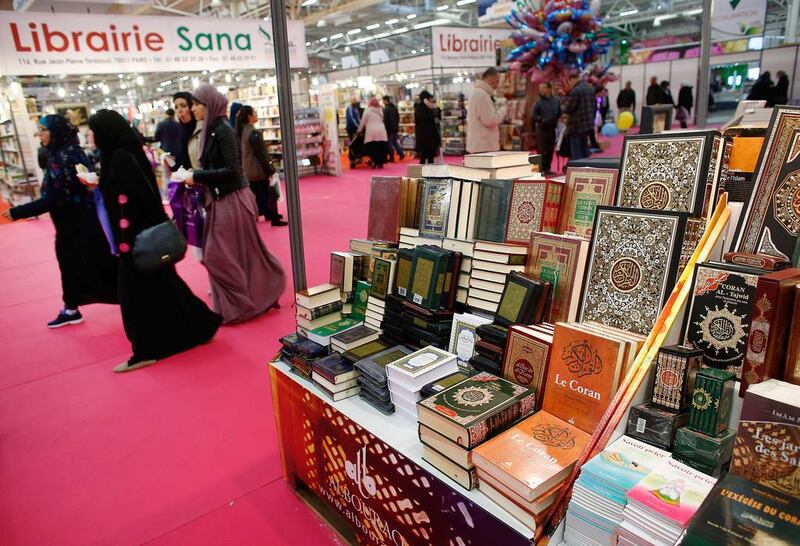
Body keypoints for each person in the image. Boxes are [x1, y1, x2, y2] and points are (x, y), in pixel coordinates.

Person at [86, 109, 222, 372]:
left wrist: (125, 240)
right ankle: (201, 326)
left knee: (133, 296)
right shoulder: (122, 153)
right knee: (164, 287)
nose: (91, 136)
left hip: (135, 240)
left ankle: (145, 350)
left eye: (94, 130)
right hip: (141, 238)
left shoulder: (120, 157)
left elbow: (129, 199)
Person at [1, 114, 118, 328]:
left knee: (94, 264)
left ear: (55, 132)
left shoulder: (64, 157)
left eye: (43, 130)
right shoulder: (65, 153)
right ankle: (72, 307)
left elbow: (55, 197)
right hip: (73, 222)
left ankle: (127, 298)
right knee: (78, 264)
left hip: (77, 223)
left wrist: (20, 211)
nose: (39, 135)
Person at [185, 84, 286, 324]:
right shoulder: (210, 130)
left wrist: (198, 176)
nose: (192, 108)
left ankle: (246, 302)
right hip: (221, 200)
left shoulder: (222, 130)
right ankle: (250, 300)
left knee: (219, 255)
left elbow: (232, 169)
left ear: (209, 105)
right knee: (239, 254)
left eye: (196, 104)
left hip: (232, 200)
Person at [235, 105, 287, 226]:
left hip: (248, 170)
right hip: (257, 170)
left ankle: (265, 214)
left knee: (257, 195)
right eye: (254, 112)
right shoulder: (253, 133)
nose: (256, 114)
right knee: (269, 194)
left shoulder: (242, 132)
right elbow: (261, 154)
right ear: (250, 116)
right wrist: (269, 170)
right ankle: (273, 217)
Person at [466, 67, 507, 154]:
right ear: (491, 78)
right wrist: (503, 110)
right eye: (497, 81)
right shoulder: (482, 95)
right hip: (484, 147)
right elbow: (490, 121)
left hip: (479, 145)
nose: (497, 85)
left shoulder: (476, 92)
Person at [562, 72, 596, 161]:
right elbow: (595, 107)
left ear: (572, 79)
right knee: (585, 151)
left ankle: (577, 171)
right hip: (588, 125)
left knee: (576, 153)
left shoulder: (576, 90)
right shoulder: (590, 88)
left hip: (576, 125)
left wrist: (563, 100)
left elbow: (567, 108)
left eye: (569, 82)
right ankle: (586, 170)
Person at [532, 82, 560, 175]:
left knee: (550, 150)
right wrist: (541, 120)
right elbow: (533, 115)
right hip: (541, 129)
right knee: (540, 150)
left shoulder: (556, 100)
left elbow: (559, 112)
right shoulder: (538, 102)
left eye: (543, 88)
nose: (541, 90)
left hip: (552, 128)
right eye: (540, 88)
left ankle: (547, 168)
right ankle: (539, 170)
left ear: (549, 89)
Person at [357, 96, 389, 169]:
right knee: (380, 147)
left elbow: (363, 121)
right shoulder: (380, 109)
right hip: (381, 130)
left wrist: (359, 130)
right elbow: (383, 119)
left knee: (371, 147)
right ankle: (380, 162)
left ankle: (375, 161)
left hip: (371, 131)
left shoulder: (367, 110)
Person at [172, 91, 198, 171]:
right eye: (176, 107)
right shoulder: (180, 131)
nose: (179, 110)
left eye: (183, 106)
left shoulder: (201, 130)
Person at [414, 90, 440, 164]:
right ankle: (421, 174)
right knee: (423, 157)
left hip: (430, 138)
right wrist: (430, 108)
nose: (431, 100)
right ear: (425, 99)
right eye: (429, 98)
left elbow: (437, 117)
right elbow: (426, 119)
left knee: (430, 158)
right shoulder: (419, 108)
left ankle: (430, 173)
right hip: (424, 138)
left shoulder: (430, 108)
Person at [382, 95, 404, 162]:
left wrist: (385, 128)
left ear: (385, 100)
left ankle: (391, 157)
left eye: (383, 100)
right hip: (395, 127)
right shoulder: (394, 108)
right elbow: (398, 117)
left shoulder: (386, 109)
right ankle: (401, 153)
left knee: (389, 143)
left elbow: (385, 120)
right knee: (395, 142)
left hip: (389, 129)